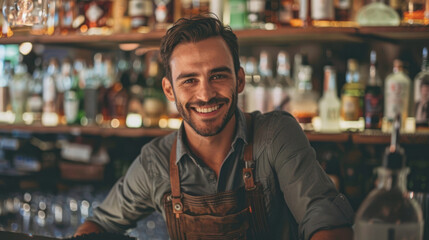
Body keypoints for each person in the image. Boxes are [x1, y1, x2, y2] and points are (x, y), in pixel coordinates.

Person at [75, 14, 354, 240]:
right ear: (169, 90)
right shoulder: (156, 162)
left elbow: (325, 219)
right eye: (189, 80)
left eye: (218, 75)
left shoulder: (275, 135)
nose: (206, 94)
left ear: (240, 80)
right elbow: (96, 226)